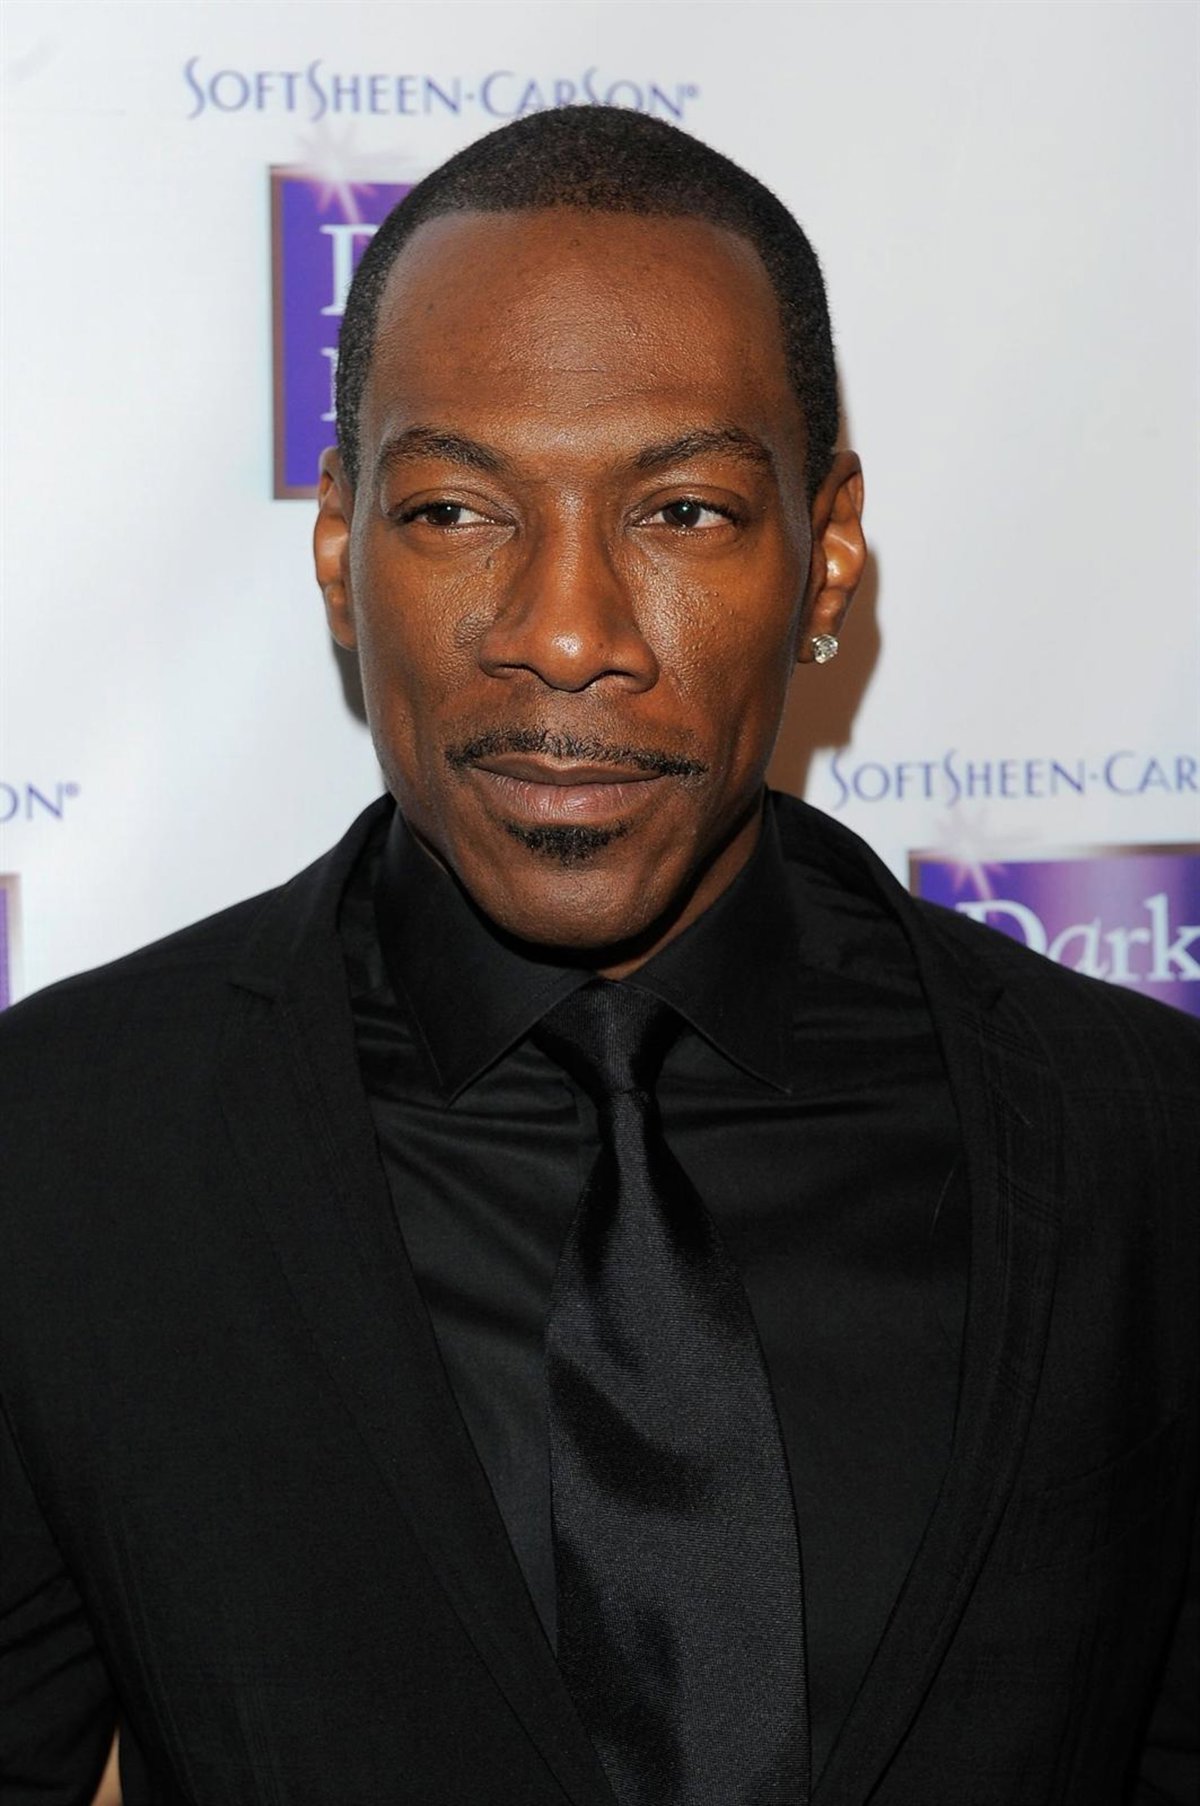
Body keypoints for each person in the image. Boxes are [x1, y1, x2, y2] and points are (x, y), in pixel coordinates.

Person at [0, 106, 1196, 1806]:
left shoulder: (1144, 1141)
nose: (567, 631)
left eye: (684, 512)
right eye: (457, 509)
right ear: (340, 547)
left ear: (827, 555)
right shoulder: (63, 1152)